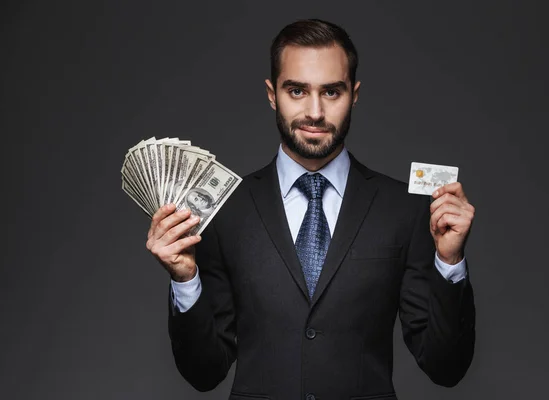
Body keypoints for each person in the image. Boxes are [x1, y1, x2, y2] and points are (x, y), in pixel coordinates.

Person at [146, 19, 476, 399]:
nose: (315, 112)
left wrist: (450, 262)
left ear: (354, 94)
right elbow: (204, 373)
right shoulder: (224, 210)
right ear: (273, 94)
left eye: (332, 92)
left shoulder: (404, 209)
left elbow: (446, 367)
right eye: (297, 90)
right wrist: (186, 280)